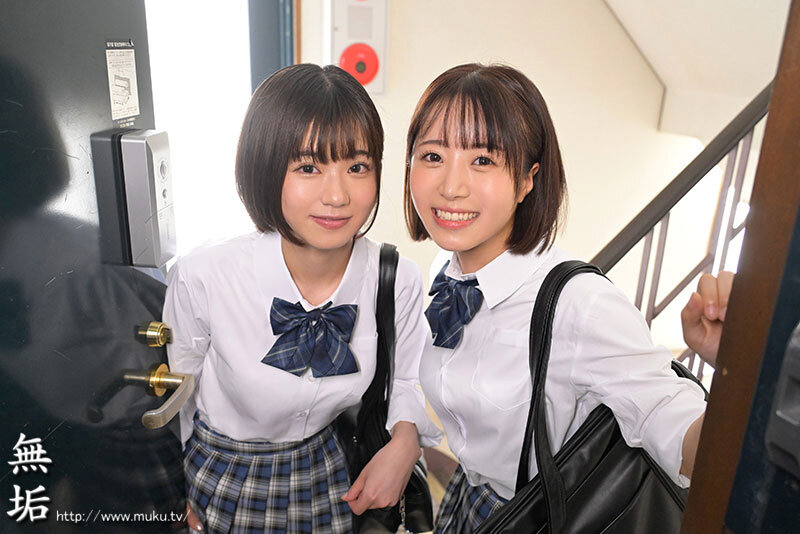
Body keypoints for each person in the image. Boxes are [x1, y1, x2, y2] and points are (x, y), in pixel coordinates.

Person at [403, 63, 722, 533]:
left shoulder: (580, 304)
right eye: (433, 156)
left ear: (528, 179)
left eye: (483, 160)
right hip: (468, 502)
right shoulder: (445, 268)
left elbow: (678, 433)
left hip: (537, 519)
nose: (451, 186)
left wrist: (743, 378)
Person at [164, 64, 440, 534]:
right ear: (265, 169)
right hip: (222, 475)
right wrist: (170, 493)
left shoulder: (396, 279)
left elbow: (409, 379)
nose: (337, 195)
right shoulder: (204, 275)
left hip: (332, 470)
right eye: (308, 168)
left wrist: (406, 442)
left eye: (357, 167)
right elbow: (176, 397)